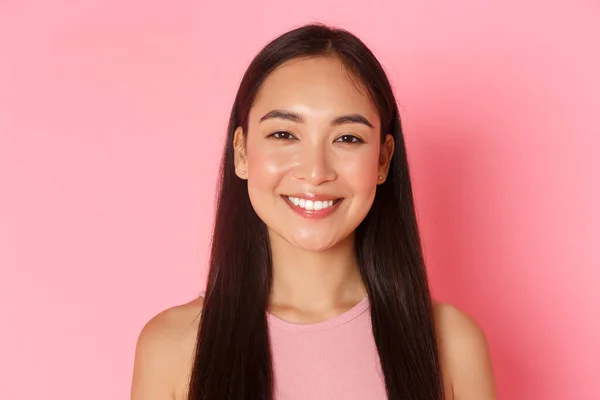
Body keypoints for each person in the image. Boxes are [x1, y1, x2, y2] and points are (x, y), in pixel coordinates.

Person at [130, 23, 496, 400]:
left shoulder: (452, 344)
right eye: (284, 134)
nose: (316, 171)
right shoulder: (173, 347)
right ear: (241, 152)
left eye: (347, 138)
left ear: (383, 160)